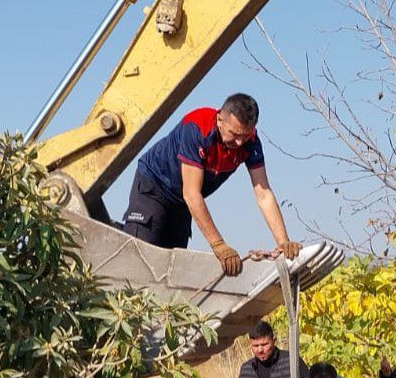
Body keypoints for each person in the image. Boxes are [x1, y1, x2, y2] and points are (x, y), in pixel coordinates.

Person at [121, 93, 300, 274]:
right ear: (220, 120)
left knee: (171, 268)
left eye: (245, 136)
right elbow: (191, 193)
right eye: (234, 134)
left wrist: (283, 242)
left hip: (182, 203)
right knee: (138, 260)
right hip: (154, 187)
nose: (239, 142)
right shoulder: (197, 127)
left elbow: (263, 193)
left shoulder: (251, 142)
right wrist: (218, 244)